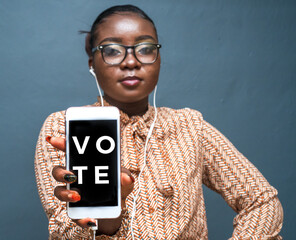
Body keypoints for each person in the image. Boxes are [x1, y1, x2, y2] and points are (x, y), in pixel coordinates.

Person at [34, 5, 283, 239]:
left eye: (145, 48)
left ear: (159, 59)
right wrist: (108, 214)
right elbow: (63, 233)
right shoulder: (63, 127)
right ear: (92, 64)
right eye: (111, 50)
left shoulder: (190, 125)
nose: (131, 61)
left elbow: (261, 202)